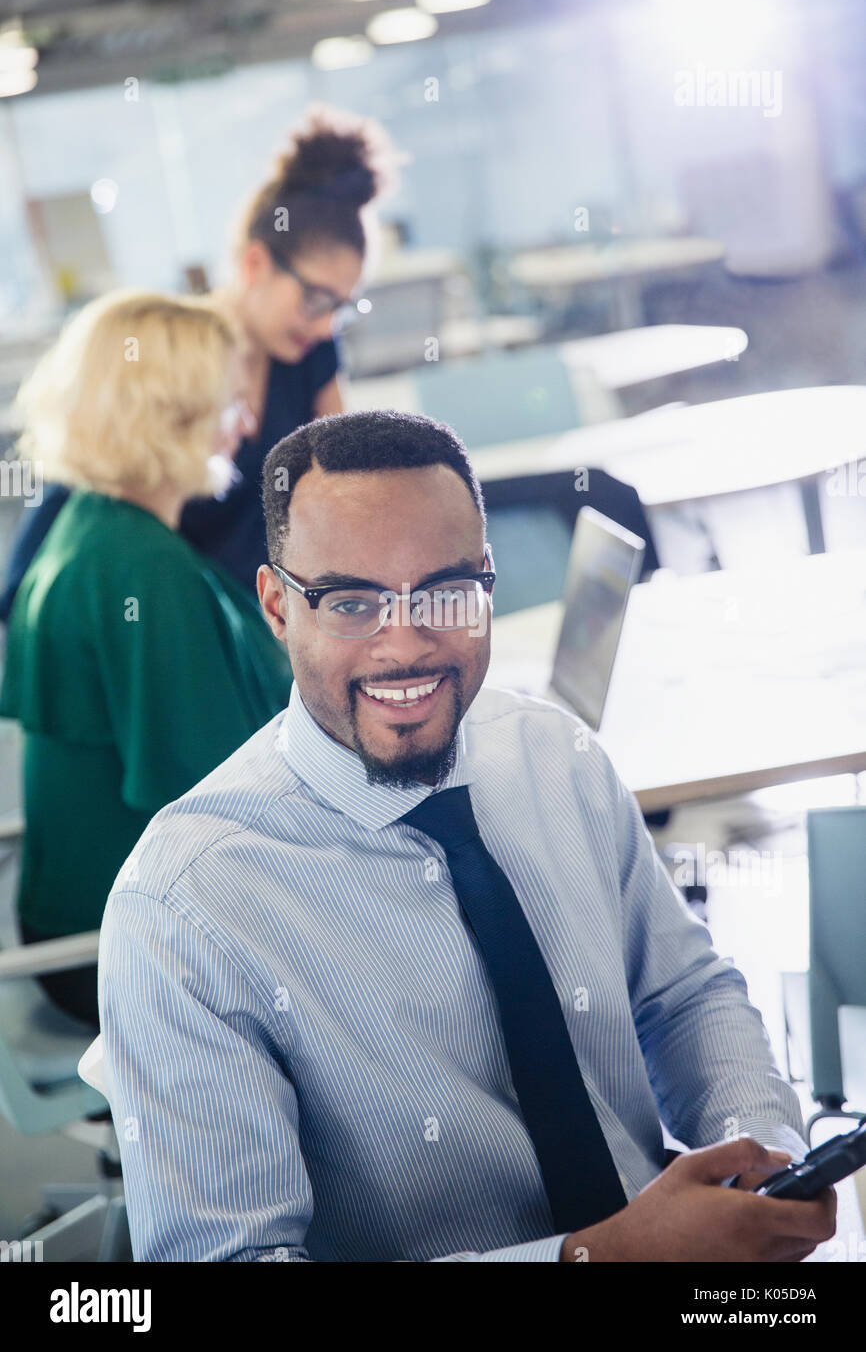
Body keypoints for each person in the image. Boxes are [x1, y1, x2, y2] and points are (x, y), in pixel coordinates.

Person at [99, 409, 835, 1262]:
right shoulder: (182, 909)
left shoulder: (555, 755)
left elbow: (685, 996)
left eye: (445, 591)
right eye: (350, 602)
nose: (403, 643)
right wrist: (601, 1258)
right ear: (276, 606)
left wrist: (763, 1157)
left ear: (487, 581)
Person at [0, 290, 294, 1029]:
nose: (248, 423)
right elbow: (222, 806)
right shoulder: (144, 571)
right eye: (231, 403)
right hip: (133, 952)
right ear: (173, 417)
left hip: (76, 928)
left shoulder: (87, 531)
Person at [0, 103, 399, 615]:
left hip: (266, 630)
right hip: (173, 625)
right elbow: (79, 496)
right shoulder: (170, 356)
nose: (325, 324)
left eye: (342, 308)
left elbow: (342, 487)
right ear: (255, 263)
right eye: (317, 300)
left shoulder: (312, 352)